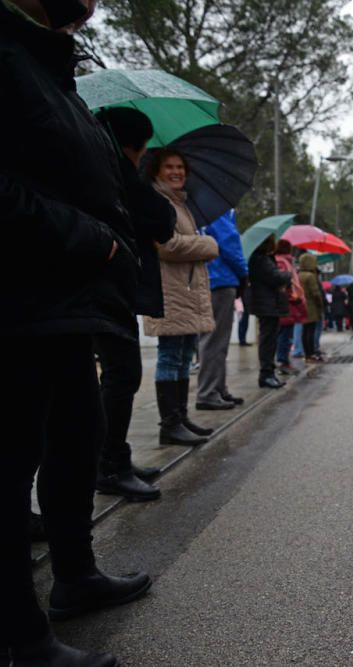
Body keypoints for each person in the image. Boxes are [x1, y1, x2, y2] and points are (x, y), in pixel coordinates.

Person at [1, 1, 153, 663]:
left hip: (66, 302)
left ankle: (76, 574)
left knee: (77, 435)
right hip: (18, 299)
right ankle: (19, 634)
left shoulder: (51, 70)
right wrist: (98, 242)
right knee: (10, 465)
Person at [90, 107, 176, 502]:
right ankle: (108, 465)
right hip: (100, 288)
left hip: (109, 287)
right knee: (120, 376)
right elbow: (160, 218)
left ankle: (113, 458)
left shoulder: (110, 168)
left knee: (120, 376)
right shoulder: (110, 170)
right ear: (137, 148)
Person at [143, 148, 219, 446]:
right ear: (156, 172)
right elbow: (166, 245)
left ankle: (181, 417)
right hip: (170, 291)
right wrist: (207, 244)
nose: (176, 172)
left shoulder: (180, 203)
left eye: (180, 167)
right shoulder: (158, 203)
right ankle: (169, 424)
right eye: (169, 167)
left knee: (185, 357)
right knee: (171, 356)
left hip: (186, 291)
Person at [196, 209, 249, 410]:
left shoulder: (203, 209)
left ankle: (218, 388)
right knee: (215, 340)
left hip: (211, 278)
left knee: (217, 340)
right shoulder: (216, 210)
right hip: (220, 278)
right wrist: (244, 272)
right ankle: (209, 392)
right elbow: (229, 242)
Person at [246, 235, 291, 388]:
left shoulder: (263, 258)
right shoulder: (260, 259)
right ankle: (266, 374)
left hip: (268, 303)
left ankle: (268, 373)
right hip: (267, 303)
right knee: (268, 339)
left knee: (270, 338)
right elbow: (274, 277)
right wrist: (288, 274)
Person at [274, 239, 305, 375]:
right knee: (284, 333)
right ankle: (282, 361)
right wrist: (291, 294)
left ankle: (284, 360)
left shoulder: (285, 261)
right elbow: (283, 281)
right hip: (287, 301)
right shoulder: (282, 262)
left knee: (287, 332)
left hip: (288, 301)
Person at [298, 253, 324, 361]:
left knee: (304, 331)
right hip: (311, 306)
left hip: (301, 305)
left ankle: (306, 353)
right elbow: (316, 293)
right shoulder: (310, 276)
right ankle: (311, 353)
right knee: (311, 331)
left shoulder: (298, 275)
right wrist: (320, 304)